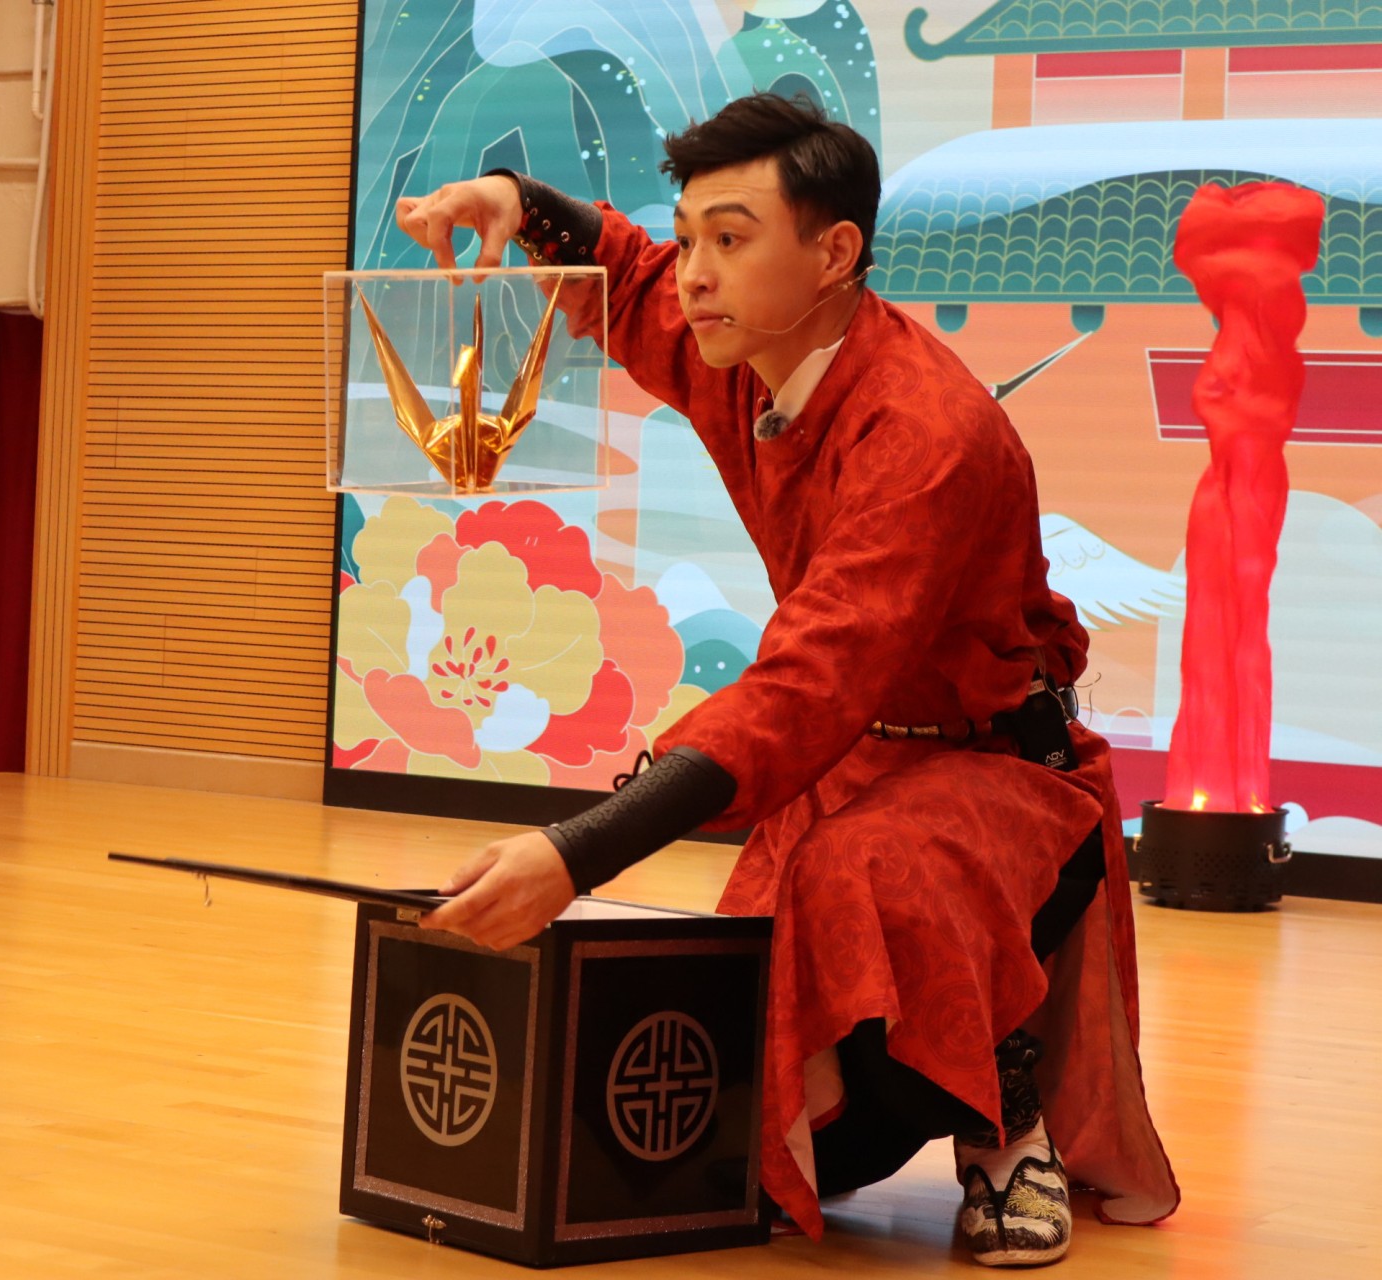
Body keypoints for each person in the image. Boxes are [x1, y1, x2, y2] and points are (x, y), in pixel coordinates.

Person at [395, 93, 1179, 1267]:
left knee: (872, 879)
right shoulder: (754, 350)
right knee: (754, 1034)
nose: (694, 273)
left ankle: (1007, 1124)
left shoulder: (926, 431)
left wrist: (575, 854)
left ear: (835, 251)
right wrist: (518, 200)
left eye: (731, 237)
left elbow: (813, 677)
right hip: (852, 757)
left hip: (999, 774)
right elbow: (629, 275)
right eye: (691, 237)